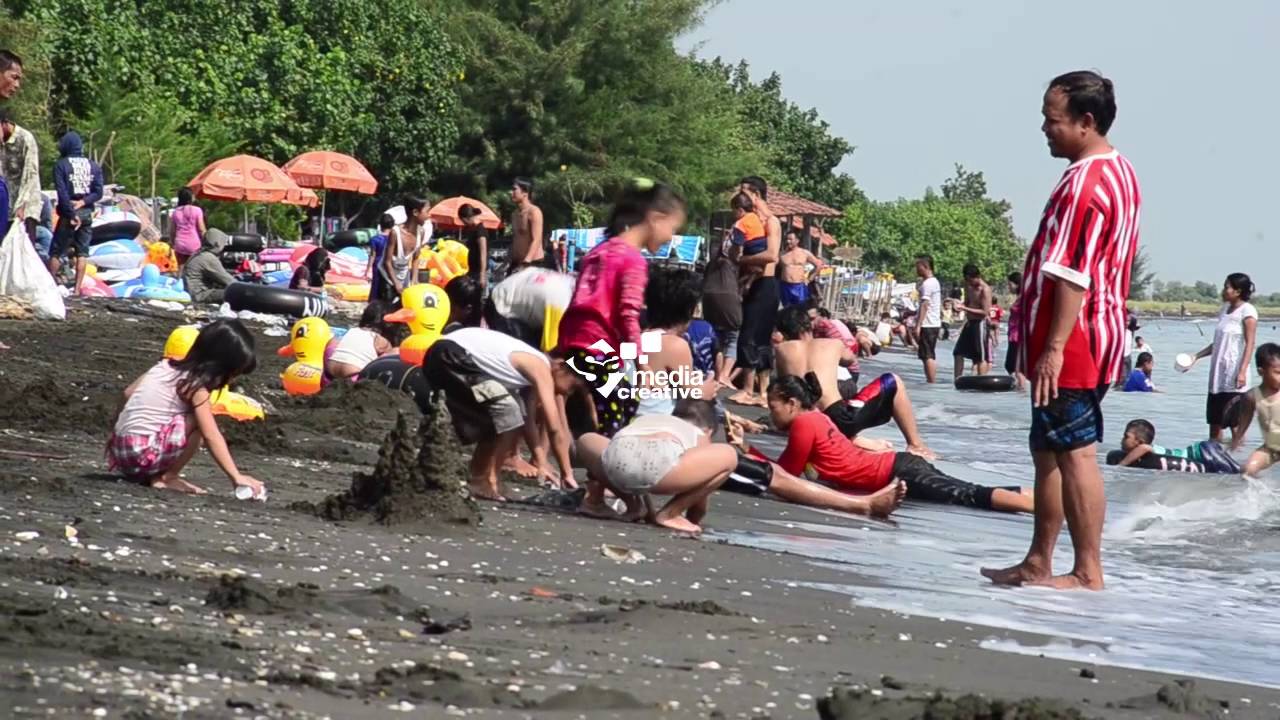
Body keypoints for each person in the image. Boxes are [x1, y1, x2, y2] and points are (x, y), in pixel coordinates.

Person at [983, 70, 1142, 592]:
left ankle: (1087, 570)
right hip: (1094, 332)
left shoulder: (1085, 184)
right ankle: (1038, 560)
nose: (1045, 129)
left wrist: (1052, 349)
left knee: (1075, 452)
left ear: (1085, 122)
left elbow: (1073, 274)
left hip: (1075, 339)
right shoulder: (1119, 170)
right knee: (1048, 449)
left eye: (1053, 120)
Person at [756, 376, 1031, 513]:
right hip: (898, 467)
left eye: (773, 406)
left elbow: (786, 477)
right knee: (968, 491)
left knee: (968, 495)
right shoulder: (818, 418)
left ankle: (1038, 507)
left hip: (897, 472)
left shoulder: (805, 424)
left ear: (792, 403)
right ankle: (1037, 498)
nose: (771, 413)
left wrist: (748, 454)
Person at [557, 179, 685, 437]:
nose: (671, 237)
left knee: (612, 402)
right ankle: (604, 457)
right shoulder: (632, 259)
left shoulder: (600, 251)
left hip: (574, 338)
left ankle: (586, 446)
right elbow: (628, 315)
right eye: (672, 228)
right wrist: (642, 364)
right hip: (596, 346)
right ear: (656, 219)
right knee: (621, 407)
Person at [107, 320, 264, 497]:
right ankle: (168, 477)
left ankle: (154, 472)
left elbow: (127, 393)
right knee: (199, 421)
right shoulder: (195, 387)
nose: (231, 380)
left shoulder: (163, 366)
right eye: (232, 374)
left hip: (120, 453)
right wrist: (236, 476)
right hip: (141, 456)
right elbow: (211, 435)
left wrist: (114, 434)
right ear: (218, 366)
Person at [425, 326, 576, 500]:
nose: (568, 393)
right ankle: (483, 479)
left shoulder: (532, 367)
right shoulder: (541, 367)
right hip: (452, 355)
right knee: (507, 411)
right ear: (561, 366)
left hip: (447, 355)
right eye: (573, 387)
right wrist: (567, 474)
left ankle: (489, 478)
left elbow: (526, 421)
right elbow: (555, 427)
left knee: (513, 411)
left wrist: (541, 461)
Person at [773, 306, 934, 458]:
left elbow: (786, 385)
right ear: (810, 325)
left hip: (802, 420)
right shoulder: (832, 344)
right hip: (838, 418)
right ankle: (915, 444)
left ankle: (857, 442)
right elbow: (850, 359)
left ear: (784, 332)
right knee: (893, 380)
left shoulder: (782, 350)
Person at [575, 398, 737, 533]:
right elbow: (701, 493)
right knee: (729, 455)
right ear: (709, 430)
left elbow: (640, 456)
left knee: (586, 439)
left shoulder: (650, 419)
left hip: (617, 460)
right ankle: (671, 514)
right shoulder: (699, 434)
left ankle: (628, 505)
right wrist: (694, 519)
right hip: (660, 466)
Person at [632, 266, 718, 418]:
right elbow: (694, 395)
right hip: (656, 423)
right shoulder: (674, 345)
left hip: (631, 419)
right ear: (690, 310)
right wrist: (709, 388)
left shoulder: (640, 338)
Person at [1186, 273, 1258, 444]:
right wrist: (1196, 357)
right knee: (1214, 424)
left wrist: (1242, 371)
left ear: (1238, 291)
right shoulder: (1224, 310)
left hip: (1234, 377)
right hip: (1217, 377)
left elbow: (1250, 344)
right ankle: (1214, 456)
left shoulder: (1248, 311)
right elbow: (1218, 344)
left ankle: (1238, 457)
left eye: (1227, 287)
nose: (1223, 291)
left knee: (1235, 425)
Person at [731, 177, 782, 408]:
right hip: (754, 284)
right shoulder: (753, 222)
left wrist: (742, 259)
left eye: (744, 192)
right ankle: (759, 393)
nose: (741, 196)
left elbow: (772, 255)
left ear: (756, 195)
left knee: (752, 337)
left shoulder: (771, 221)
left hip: (766, 284)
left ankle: (751, 390)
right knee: (755, 337)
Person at [49, 131, 104, 295]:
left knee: (56, 252)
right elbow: (98, 192)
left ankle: (49, 286)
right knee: (82, 252)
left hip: (68, 212)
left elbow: (62, 193)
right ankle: (77, 290)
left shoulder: (61, 165)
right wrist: (83, 202)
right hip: (86, 212)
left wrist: (71, 213)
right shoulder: (93, 166)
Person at [486, 264, 574, 351]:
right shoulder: (560, 304)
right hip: (500, 306)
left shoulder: (570, 282)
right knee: (529, 353)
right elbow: (550, 350)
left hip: (513, 288)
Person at [1109, 418, 1240, 474]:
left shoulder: (1146, 449)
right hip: (1203, 450)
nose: (1122, 440)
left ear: (1139, 441)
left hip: (1202, 451)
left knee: (1236, 472)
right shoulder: (1147, 454)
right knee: (1235, 470)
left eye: (1126, 436)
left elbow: (1145, 448)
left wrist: (1121, 465)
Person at [1230, 343, 1280, 480]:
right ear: (1261, 372)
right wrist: (1237, 439)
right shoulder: (1251, 396)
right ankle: (1260, 492)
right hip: (1271, 448)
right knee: (1247, 471)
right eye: (1277, 373)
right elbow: (1245, 420)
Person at [702, 235, 742, 385]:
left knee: (715, 336)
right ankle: (724, 375)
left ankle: (714, 372)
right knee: (733, 336)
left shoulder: (712, 263)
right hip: (728, 299)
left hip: (708, 298)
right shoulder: (734, 262)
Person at [0, 107, 41, 248]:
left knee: (24, 250)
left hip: (25, 206)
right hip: (5, 206)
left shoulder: (25, 139)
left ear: (4, 124)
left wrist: (22, 205)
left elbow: (31, 175)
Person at [327, 301, 395, 380]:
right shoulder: (380, 340)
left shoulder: (353, 330)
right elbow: (389, 361)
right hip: (353, 375)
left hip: (330, 371)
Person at [385, 196, 431, 296]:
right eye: (427, 211)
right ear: (415, 212)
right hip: (388, 278)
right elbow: (387, 262)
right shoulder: (395, 233)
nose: (429, 215)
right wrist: (396, 283)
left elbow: (416, 258)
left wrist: (414, 279)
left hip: (404, 276)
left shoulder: (421, 232)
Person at [953, 263, 992, 379]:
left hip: (980, 324)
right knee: (958, 352)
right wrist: (959, 306)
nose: (969, 283)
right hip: (970, 323)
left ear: (977, 277)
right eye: (967, 280)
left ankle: (982, 380)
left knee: (980, 357)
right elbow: (967, 302)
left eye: (971, 280)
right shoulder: (968, 285)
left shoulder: (985, 289)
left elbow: (985, 312)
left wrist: (965, 308)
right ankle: (957, 379)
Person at [182, 228, 237, 304]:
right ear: (217, 244)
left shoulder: (198, 253)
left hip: (191, 292)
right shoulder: (208, 258)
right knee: (236, 294)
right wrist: (246, 289)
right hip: (199, 295)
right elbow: (229, 281)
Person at [915, 255, 943, 383]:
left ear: (925, 266)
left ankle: (931, 381)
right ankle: (930, 380)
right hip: (933, 323)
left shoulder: (928, 284)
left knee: (927, 355)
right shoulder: (934, 282)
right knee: (927, 354)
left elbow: (925, 305)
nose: (916, 269)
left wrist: (918, 325)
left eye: (918, 266)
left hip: (928, 323)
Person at [779, 230, 823, 307]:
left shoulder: (804, 253)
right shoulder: (782, 254)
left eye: (790, 239)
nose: (788, 241)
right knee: (786, 309)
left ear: (797, 240)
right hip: (785, 286)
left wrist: (809, 279)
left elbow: (819, 265)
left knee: (801, 308)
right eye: (787, 239)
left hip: (799, 286)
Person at [509, 178, 545, 271]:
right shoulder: (514, 214)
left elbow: (537, 239)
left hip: (532, 262)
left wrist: (526, 262)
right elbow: (516, 239)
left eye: (514, 189)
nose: (511, 193)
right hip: (517, 262)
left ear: (525, 193)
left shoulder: (534, 212)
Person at [168, 187, 206, 265]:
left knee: (181, 267)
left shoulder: (176, 212)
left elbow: (172, 231)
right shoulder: (197, 210)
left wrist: (172, 244)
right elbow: (201, 230)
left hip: (180, 245)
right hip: (194, 245)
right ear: (190, 197)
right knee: (194, 268)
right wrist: (206, 241)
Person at [367, 213, 397, 304]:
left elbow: (372, 255)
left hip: (377, 264)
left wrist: (368, 269)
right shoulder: (395, 239)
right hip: (391, 264)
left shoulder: (375, 239)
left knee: (376, 286)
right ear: (393, 225)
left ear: (380, 225)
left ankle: (375, 303)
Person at [459, 204, 489, 291]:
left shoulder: (480, 231)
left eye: (463, 221)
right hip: (472, 270)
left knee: (479, 295)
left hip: (479, 272)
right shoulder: (473, 230)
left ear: (466, 218)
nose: (464, 224)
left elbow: (483, 254)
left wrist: (482, 275)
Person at [1004, 271, 1026, 390]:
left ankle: (1021, 391)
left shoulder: (1023, 298)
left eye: (1010, 284)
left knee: (1016, 367)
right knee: (1011, 366)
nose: (1009, 287)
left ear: (1017, 284)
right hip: (1013, 336)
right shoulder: (1019, 298)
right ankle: (1019, 390)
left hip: (1018, 336)